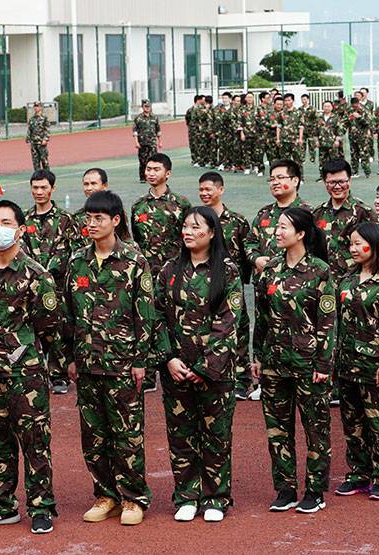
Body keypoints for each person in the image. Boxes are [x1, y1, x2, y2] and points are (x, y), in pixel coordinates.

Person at [0, 200, 59, 535]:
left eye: (6, 223)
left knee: (35, 442)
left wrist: (24, 352)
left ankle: (41, 507)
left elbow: (48, 325)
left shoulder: (36, 274)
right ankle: (2, 505)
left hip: (26, 375)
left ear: (21, 230)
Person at [65, 190, 153, 526]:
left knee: (127, 434)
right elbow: (68, 314)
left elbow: (145, 314)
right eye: (88, 218)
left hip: (122, 364)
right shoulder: (77, 261)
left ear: (116, 220)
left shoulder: (134, 261)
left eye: (99, 218)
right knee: (94, 436)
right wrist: (70, 357)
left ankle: (133, 497)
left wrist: (140, 360)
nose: (91, 224)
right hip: (87, 363)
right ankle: (106, 495)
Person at [153, 206, 243, 523]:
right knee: (181, 436)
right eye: (185, 226)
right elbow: (157, 316)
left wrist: (205, 367)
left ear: (212, 232)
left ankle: (216, 497)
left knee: (216, 436)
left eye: (196, 227)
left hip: (215, 373)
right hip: (176, 369)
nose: (188, 232)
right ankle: (187, 495)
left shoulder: (227, 271)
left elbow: (228, 323)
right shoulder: (169, 269)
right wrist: (168, 358)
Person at [252, 207, 335, 514]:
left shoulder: (320, 271)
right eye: (277, 225)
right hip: (274, 362)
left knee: (316, 428)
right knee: (277, 430)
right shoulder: (270, 269)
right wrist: (257, 356)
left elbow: (327, 322)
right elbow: (261, 317)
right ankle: (285, 488)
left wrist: (323, 364)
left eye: (284, 226)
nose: (277, 231)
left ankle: (315, 491)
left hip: (308, 364)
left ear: (301, 234)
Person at [334, 222, 379, 501]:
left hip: (375, 367)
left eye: (358, 244)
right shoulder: (347, 279)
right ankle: (359, 473)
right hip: (347, 366)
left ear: (374, 245)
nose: (352, 249)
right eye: (351, 244)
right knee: (353, 425)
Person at [130, 153, 192, 391]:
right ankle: (147, 373)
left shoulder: (181, 204)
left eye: (156, 169)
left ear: (168, 173)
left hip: (174, 273)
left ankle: (177, 365)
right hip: (146, 274)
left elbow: (188, 239)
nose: (151, 173)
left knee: (174, 318)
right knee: (146, 319)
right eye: (148, 169)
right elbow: (137, 241)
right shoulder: (138, 206)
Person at [199, 172, 252, 400]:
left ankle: (241, 379)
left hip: (231, 286)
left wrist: (240, 280)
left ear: (221, 190)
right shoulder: (197, 219)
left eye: (208, 189)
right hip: (203, 286)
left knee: (238, 331)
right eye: (201, 190)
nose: (204, 193)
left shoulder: (237, 221)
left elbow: (246, 253)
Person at [23, 169, 75, 395]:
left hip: (58, 284)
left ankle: (58, 374)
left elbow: (69, 250)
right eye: (35, 187)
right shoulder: (24, 218)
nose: (39, 192)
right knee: (32, 326)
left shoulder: (65, 219)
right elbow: (21, 250)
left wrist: (50, 272)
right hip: (31, 284)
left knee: (58, 328)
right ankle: (35, 371)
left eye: (44, 187)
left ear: (53, 189)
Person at [245, 159, 311, 277]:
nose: (275, 182)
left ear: (295, 181)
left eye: (280, 177)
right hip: (266, 281)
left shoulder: (307, 213)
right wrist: (256, 259)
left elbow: (317, 248)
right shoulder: (264, 213)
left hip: (298, 281)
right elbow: (250, 242)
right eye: (272, 179)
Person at [313, 159, 375, 279]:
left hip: (353, 280)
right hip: (323, 280)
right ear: (325, 182)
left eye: (341, 182)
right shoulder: (318, 213)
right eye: (332, 182)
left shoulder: (363, 212)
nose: (337, 187)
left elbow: (378, 247)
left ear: (349, 180)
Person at [69, 168, 110, 253]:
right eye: (86, 184)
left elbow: (125, 239)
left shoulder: (114, 212)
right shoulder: (77, 217)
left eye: (93, 184)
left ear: (105, 186)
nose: (89, 188)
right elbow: (75, 247)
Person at [133, 99, 162, 182]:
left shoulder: (155, 118)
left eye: (149, 106)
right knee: (143, 161)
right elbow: (135, 132)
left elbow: (158, 131)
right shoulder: (138, 118)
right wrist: (136, 142)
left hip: (152, 143)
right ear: (142, 107)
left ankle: (153, 176)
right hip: (142, 143)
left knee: (153, 160)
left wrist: (160, 142)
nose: (147, 108)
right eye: (145, 106)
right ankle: (143, 177)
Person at [346, 97, 374, 178]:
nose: (355, 107)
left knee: (364, 154)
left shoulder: (365, 110)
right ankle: (354, 172)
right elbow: (345, 121)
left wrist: (359, 117)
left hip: (362, 137)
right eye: (353, 106)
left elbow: (369, 123)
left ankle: (367, 172)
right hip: (352, 136)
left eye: (356, 105)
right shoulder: (349, 111)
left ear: (358, 103)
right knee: (354, 154)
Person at [315, 100, 345, 171]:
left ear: (332, 107)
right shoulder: (319, 118)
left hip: (332, 143)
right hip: (322, 143)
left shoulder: (336, 118)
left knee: (334, 161)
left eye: (328, 106)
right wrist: (316, 141)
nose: (326, 108)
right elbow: (315, 131)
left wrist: (337, 140)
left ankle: (334, 174)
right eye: (325, 106)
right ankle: (323, 175)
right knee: (322, 162)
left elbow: (339, 130)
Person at [26, 101, 50, 171]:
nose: (35, 108)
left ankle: (47, 174)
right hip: (34, 143)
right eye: (35, 106)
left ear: (41, 107)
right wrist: (28, 140)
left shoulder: (44, 118)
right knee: (35, 161)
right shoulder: (32, 119)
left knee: (44, 160)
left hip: (41, 142)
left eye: (37, 106)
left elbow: (47, 129)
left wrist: (45, 139)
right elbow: (29, 130)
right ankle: (37, 175)